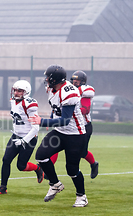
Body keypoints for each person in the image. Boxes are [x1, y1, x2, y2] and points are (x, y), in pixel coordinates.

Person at [28, 64, 89, 207]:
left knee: (72, 169)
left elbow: (66, 120)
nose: (46, 80)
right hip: (60, 132)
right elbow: (56, 110)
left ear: (54, 79)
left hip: (75, 134)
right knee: (41, 155)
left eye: (48, 77)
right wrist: (50, 119)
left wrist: (43, 121)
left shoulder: (69, 92)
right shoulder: (51, 88)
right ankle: (55, 184)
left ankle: (82, 196)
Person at [0, 80, 44, 195]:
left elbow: (35, 128)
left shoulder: (30, 104)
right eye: (15, 90)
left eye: (20, 90)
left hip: (29, 138)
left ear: (26, 92)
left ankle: (38, 168)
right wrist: (17, 135)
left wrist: (24, 141)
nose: (16, 93)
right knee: (6, 160)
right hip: (16, 136)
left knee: (21, 166)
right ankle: (3, 188)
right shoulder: (13, 102)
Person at [47, 71, 99, 179]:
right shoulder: (65, 89)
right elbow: (57, 106)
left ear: (83, 81)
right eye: (74, 80)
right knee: (54, 146)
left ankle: (93, 164)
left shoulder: (84, 91)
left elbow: (86, 109)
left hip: (83, 126)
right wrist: (52, 118)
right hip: (66, 126)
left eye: (78, 80)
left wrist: (71, 112)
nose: (75, 82)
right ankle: (48, 169)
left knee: (82, 152)